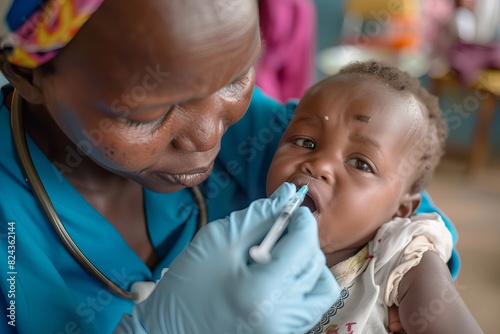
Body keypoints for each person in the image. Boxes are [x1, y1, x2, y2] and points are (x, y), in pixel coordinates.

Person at [0, 1, 457, 333]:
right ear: (28, 75)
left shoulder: (273, 133)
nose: (208, 137)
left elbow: (399, 194)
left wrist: (410, 274)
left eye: (236, 75)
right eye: (148, 112)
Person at [265, 61, 483, 333]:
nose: (318, 165)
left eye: (360, 163)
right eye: (305, 142)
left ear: (402, 209)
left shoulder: (401, 260)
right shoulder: (245, 238)